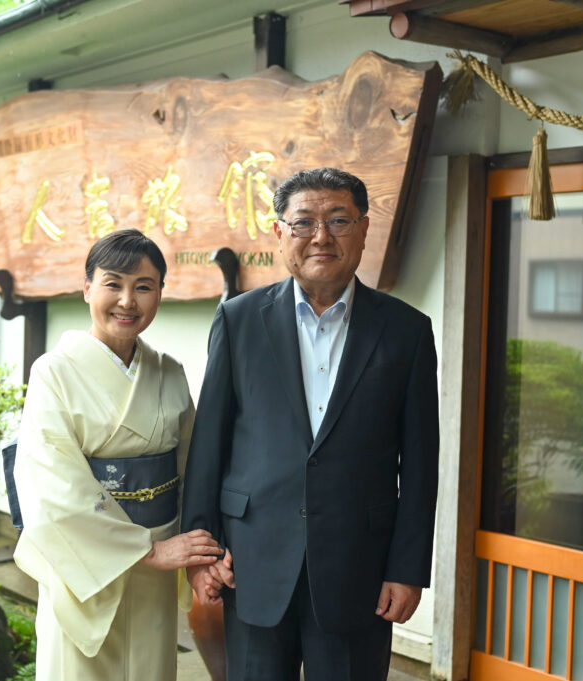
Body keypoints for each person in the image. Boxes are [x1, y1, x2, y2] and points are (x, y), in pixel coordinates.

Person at [181, 167, 439, 681]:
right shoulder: (238, 321)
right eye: (304, 222)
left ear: (364, 230)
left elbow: (421, 462)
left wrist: (407, 571)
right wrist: (199, 551)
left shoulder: (406, 330)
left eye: (339, 220)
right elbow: (209, 444)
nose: (321, 236)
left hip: (358, 571)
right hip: (249, 563)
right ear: (280, 234)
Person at [12, 228, 223, 681]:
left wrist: (193, 552)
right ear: (87, 287)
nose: (128, 301)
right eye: (113, 284)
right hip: (86, 562)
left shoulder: (169, 372)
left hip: (161, 558)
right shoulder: (54, 372)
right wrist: (149, 551)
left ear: (160, 294)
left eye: (143, 287)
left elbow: (193, 469)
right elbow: (52, 487)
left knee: (150, 665)